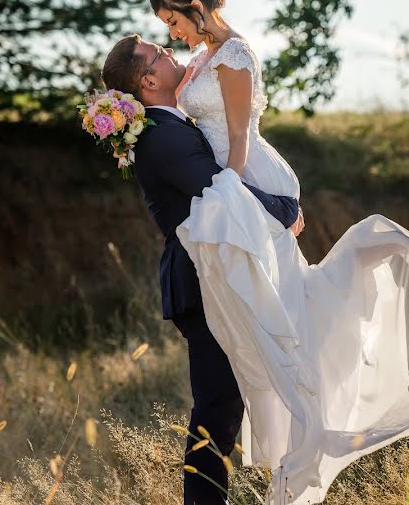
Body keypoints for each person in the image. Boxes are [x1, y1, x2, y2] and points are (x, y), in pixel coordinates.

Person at [146, 0, 409, 505]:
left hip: (250, 178)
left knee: (280, 325)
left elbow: (240, 140)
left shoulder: (234, 54)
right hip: (236, 188)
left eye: (172, 19)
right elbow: (165, 103)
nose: (172, 32)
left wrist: (239, 205)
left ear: (191, 4)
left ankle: (305, 435)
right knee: (274, 324)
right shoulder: (200, 56)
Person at [101, 34, 303, 505]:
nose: (172, 54)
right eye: (160, 55)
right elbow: (219, 189)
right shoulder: (158, 135)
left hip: (211, 274)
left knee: (225, 406)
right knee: (217, 408)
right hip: (198, 279)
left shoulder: (168, 122)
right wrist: (282, 207)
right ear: (148, 79)